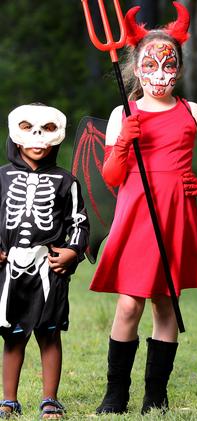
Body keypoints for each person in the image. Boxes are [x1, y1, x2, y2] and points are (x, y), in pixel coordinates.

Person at [90, 1, 197, 415]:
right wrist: (124, 140)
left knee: (164, 302)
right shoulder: (124, 113)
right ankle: (115, 394)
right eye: (152, 66)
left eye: (169, 66)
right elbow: (111, 176)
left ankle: (155, 395)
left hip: (174, 215)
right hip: (135, 214)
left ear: (179, 68)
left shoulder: (191, 111)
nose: (161, 74)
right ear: (136, 68)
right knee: (128, 303)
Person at [0, 103, 89, 419]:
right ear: (17, 135)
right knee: (12, 334)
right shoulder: (2, 177)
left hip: (48, 267)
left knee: (49, 333)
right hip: (9, 268)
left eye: (46, 130)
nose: (37, 139)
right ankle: (8, 399)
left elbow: (79, 221)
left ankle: (50, 399)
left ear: (57, 136)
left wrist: (73, 251)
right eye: (28, 130)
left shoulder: (66, 181)